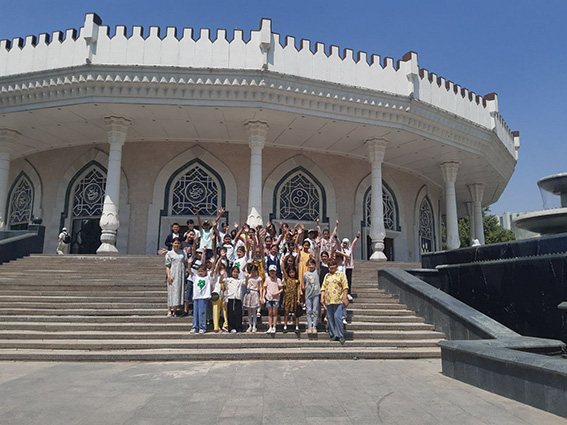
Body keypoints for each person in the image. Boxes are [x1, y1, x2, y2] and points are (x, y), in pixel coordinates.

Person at [320, 259, 349, 344]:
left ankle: (340, 335)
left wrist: (345, 297)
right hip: (328, 300)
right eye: (330, 266)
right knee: (330, 318)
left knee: (337, 317)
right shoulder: (327, 275)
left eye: (333, 265)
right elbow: (323, 287)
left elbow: (345, 286)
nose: (331, 267)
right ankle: (333, 334)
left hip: (338, 299)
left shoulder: (341, 275)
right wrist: (322, 297)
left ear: (336, 266)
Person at [165, 237, 187, 317]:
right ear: (172, 244)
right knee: (171, 291)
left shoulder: (183, 253)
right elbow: (167, 266)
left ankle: (175, 310)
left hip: (180, 274)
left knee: (178, 292)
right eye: (175, 243)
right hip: (173, 273)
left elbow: (185, 262)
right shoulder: (169, 253)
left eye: (178, 243)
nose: (176, 245)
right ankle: (169, 310)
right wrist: (169, 276)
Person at [190, 264, 213, 334]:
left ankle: (202, 327)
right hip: (196, 297)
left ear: (206, 271)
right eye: (199, 271)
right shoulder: (196, 277)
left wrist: (213, 264)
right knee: (196, 313)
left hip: (203, 298)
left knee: (202, 313)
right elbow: (190, 271)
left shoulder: (207, 277)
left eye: (202, 271)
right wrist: (189, 264)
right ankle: (195, 327)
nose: (200, 273)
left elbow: (213, 271)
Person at [223, 265, 244, 333]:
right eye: (234, 272)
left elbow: (245, 283)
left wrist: (246, 277)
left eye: (237, 272)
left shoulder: (240, 280)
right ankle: (231, 328)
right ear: (231, 272)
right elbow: (221, 281)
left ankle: (239, 327)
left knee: (238, 313)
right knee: (231, 313)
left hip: (238, 297)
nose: (235, 273)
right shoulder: (228, 279)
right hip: (230, 297)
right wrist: (222, 275)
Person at [304, 256, 321, 334]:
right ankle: (309, 326)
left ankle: (314, 326)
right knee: (308, 311)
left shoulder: (316, 272)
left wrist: (316, 251)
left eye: (312, 264)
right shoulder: (305, 274)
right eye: (309, 264)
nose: (311, 266)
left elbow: (317, 261)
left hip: (316, 294)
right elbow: (305, 283)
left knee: (315, 311)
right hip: (308, 295)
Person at [264, 264, 283, 334]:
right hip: (268, 298)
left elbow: (281, 289)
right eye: (271, 271)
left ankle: (274, 326)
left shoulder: (278, 280)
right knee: (270, 313)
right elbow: (265, 288)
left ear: (276, 272)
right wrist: (263, 296)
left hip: (276, 298)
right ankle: (270, 326)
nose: (272, 272)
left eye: (273, 271)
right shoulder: (267, 279)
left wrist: (276, 293)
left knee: (275, 313)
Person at [281, 267, 301, 333]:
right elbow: (283, 270)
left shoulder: (297, 281)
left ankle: (297, 326)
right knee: (286, 312)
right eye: (290, 272)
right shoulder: (287, 279)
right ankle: (285, 326)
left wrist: (298, 299)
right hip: (287, 297)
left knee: (296, 312)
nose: (292, 274)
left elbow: (298, 290)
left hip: (294, 297)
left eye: (293, 272)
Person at [243, 265, 262, 333]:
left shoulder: (258, 278)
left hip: (255, 293)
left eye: (254, 271)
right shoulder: (248, 277)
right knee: (249, 312)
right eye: (252, 271)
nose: (253, 272)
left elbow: (260, 288)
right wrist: (247, 264)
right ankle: (249, 326)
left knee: (254, 312)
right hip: (248, 293)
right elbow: (243, 270)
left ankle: (254, 326)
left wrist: (261, 297)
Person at [212, 259, 228, 333]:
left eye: (223, 268)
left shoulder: (226, 276)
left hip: (223, 295)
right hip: (216, 295)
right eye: (220, 268)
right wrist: (221, 257)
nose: (221, 270)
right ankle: (216, 327)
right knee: (216, 312)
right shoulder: (215, 275)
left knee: (225, 311)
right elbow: (216, 266)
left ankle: (226, 325)